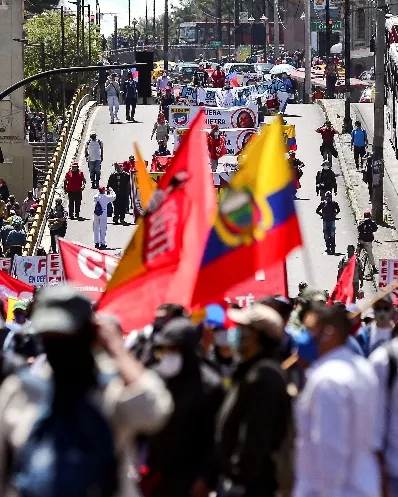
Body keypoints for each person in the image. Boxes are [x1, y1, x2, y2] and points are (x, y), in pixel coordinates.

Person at [0, 285, 173, 497]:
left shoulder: (112, 390)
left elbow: (155, 411)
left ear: (88, 335)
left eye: (67, 338)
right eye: (50, 338)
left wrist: (117, 350)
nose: (59, 348)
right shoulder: (21, 391)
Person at [295, 304, 380, 497]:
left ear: (328, 333)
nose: (304, 336)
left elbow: (330, 448)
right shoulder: (363, 369)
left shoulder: (328, 380)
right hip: (363, 486)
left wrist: (327, 491)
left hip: (336, 491)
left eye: (310, 329)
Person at [140, 317, 224, 497]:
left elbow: (216, 440)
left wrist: (206, 479)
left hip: (190, 478)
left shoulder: (209, 385)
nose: (169, 355)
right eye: (166, 349)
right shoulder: (156, 377)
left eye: (174, 349)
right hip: (154, 475)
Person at [216, 304, 290, 497]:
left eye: (242, 328)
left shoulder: (264, 376)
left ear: (256, 335)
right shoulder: (250, 370)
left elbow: (256, 437)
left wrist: (239, 478)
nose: (235, 333)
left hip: (254, 486)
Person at [358, 210, 378, 274]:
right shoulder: (372, 222)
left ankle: (355, 265)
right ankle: (374, 268)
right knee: (370, 254)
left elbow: (358, 229)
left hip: (361, 240)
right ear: (369, 216)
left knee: (357, 253)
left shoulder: (361, 222)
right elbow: (375, 229)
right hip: (368, 241)